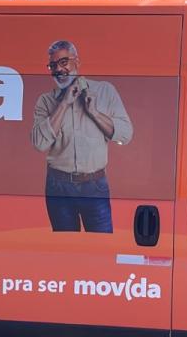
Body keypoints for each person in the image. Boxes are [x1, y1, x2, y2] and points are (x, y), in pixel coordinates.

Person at [31, 40, 133, 232]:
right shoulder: (45, 101)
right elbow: (39, 144)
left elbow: (126, 135)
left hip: (95, 186)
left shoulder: (104, 91)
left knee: (102, 245)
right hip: (58, 187)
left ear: (76, 62)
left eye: (63, 62)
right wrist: (64, 104)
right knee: (65, 246)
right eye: (53, 65)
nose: (58, 69)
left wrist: (94, 113)